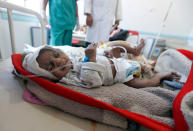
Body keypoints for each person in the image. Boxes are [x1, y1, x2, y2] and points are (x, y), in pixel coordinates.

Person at [22, 42, 180, 89]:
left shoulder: (73, 59)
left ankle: (141, 59)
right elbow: (92, 81)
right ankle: (159, 75)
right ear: (50, 76)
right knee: (144, 83)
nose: (57, 61)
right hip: (122, 76)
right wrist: (91, 58)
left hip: (119, 63)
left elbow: (94, 58)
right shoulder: (69, 79)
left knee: (116, 48)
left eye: (56, 55)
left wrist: (104, 54)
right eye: (50, 66)